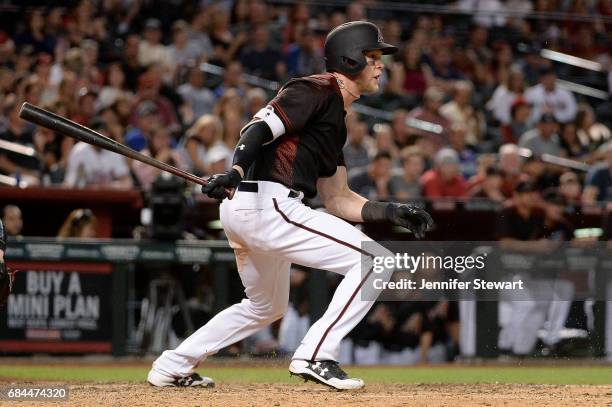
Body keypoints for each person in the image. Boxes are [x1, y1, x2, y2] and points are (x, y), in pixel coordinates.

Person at [148, 21, 433, 390]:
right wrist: (235, 169)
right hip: (269, 203)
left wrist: (390, 211)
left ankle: (172, 365)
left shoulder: (335, 121)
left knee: (266, 306)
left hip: (257, 208)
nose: (380, 65)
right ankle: (316, 354)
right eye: (372, 56)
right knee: (375, 261)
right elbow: (258, 128)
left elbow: (338, 198)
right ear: (349, 60)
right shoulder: (316, 88)